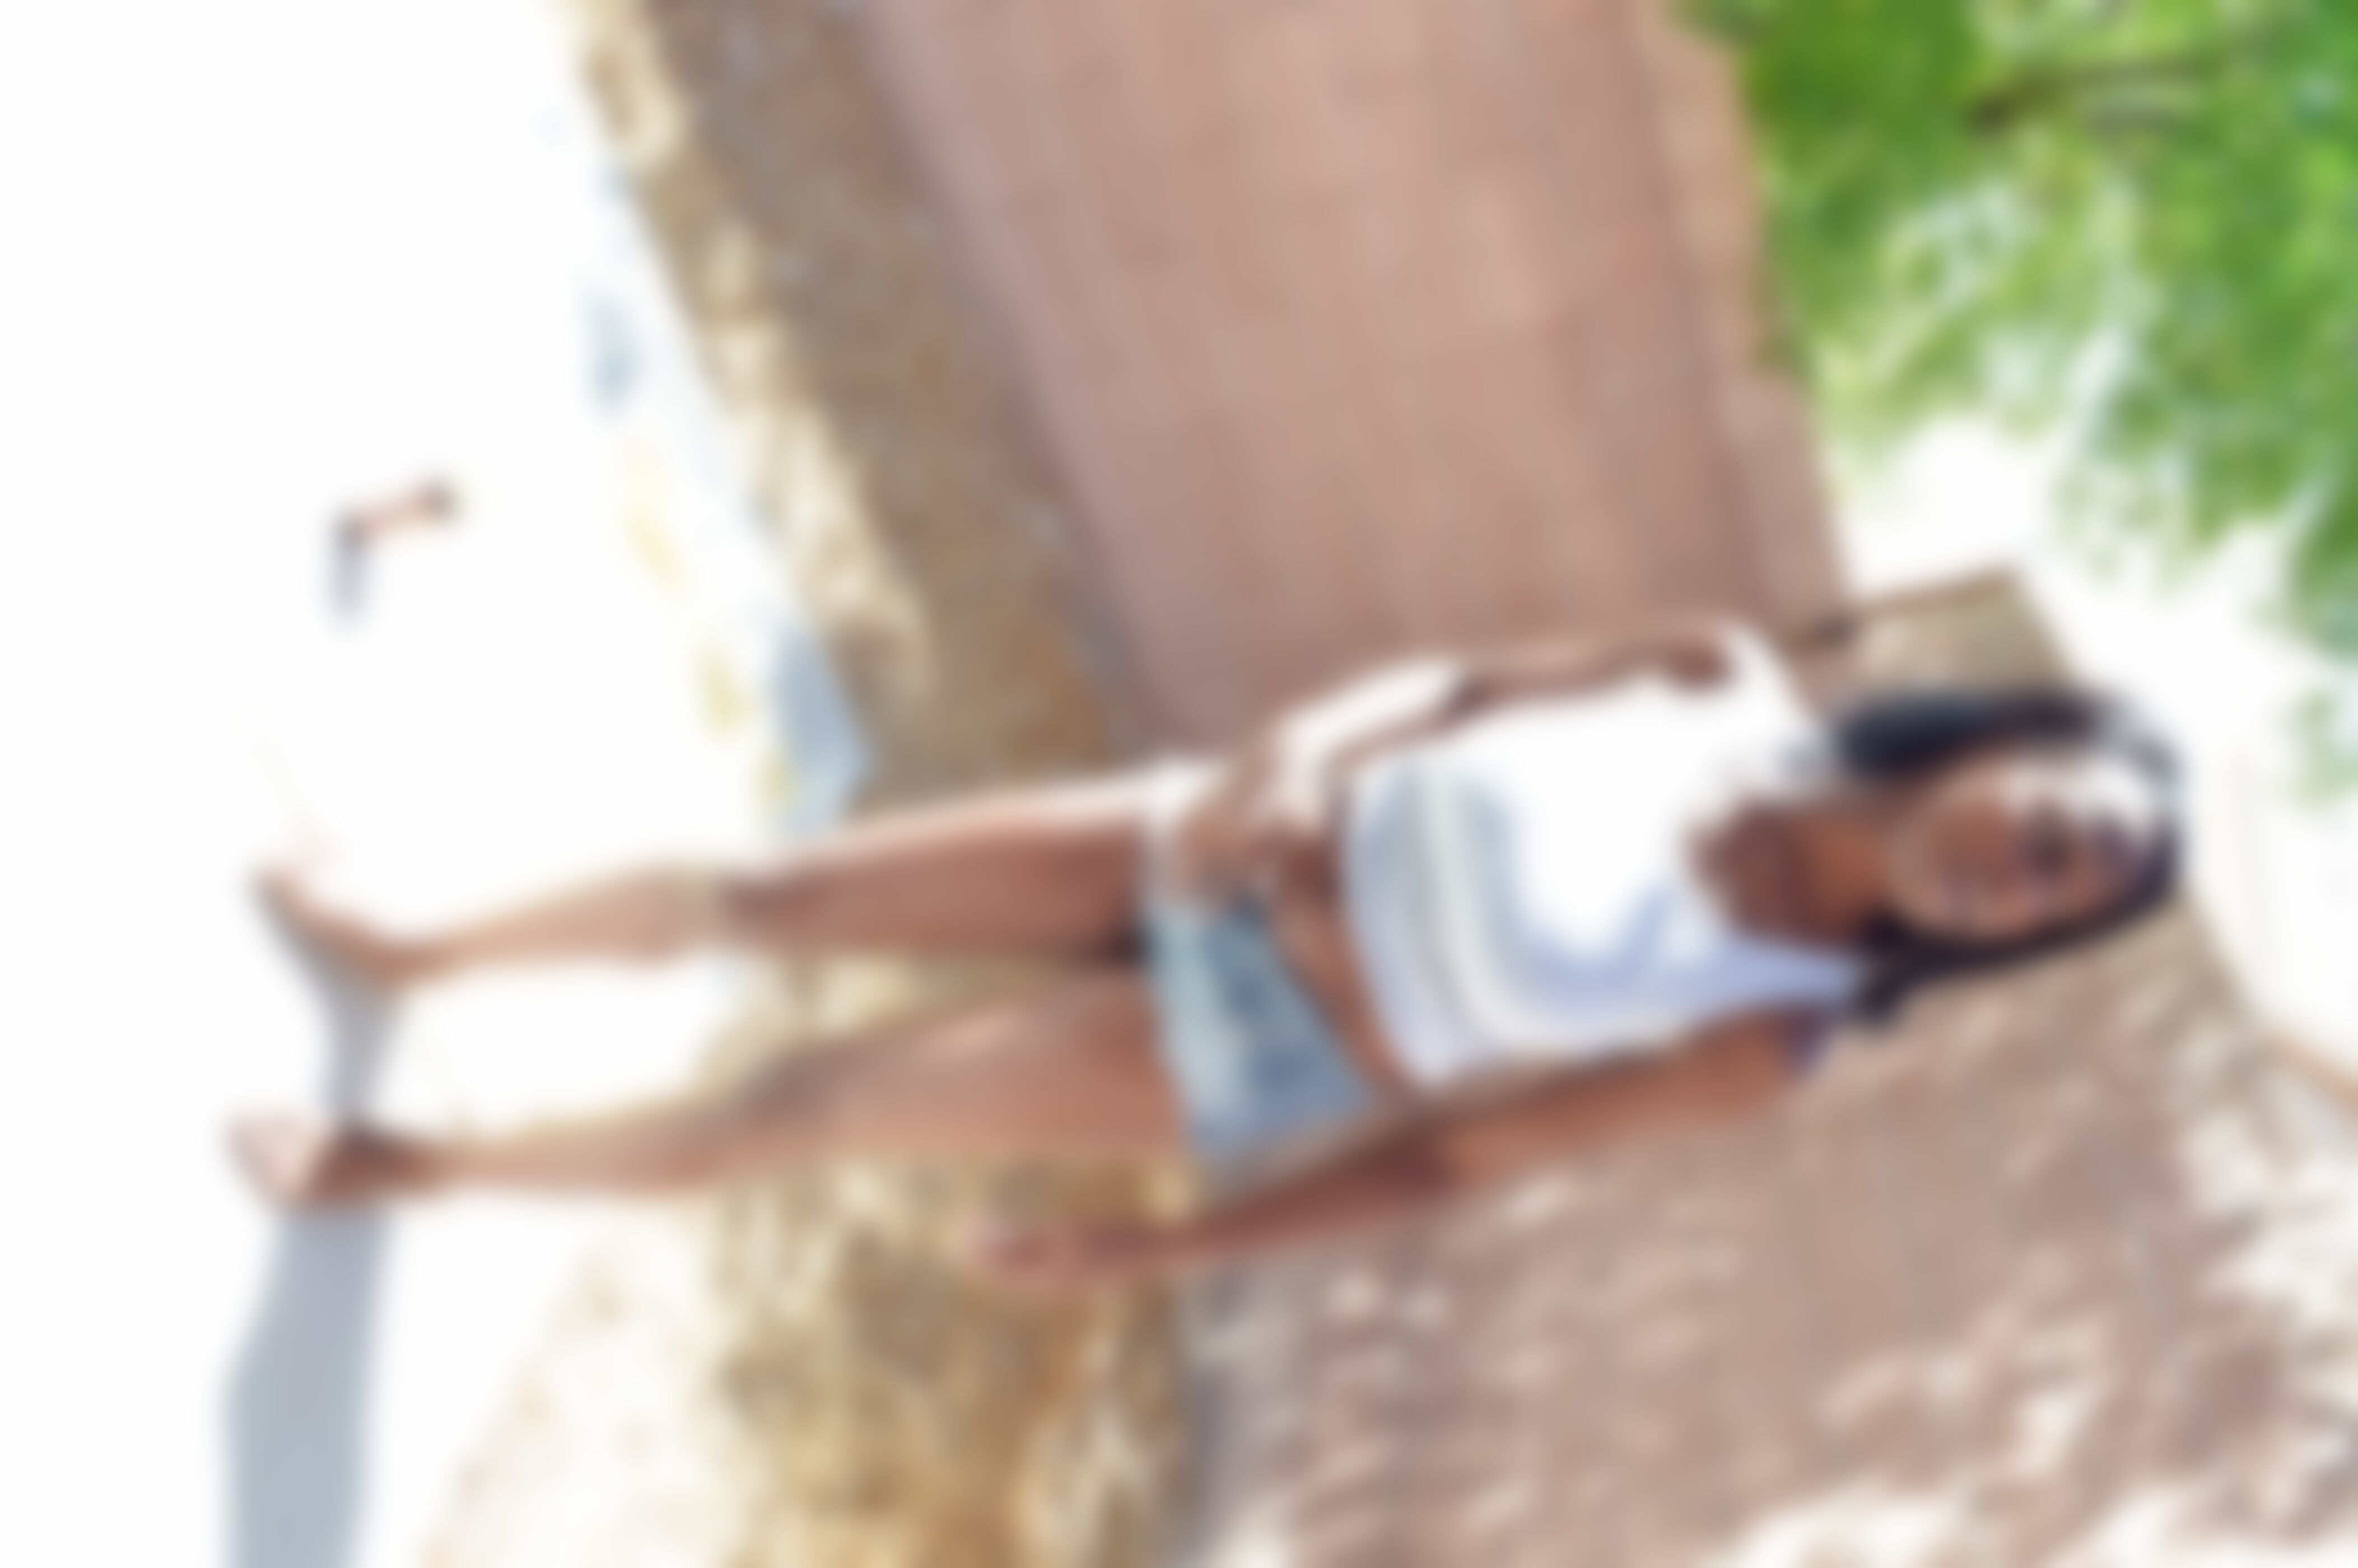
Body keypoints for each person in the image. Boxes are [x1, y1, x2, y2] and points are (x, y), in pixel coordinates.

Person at [234, 615, 2181, 1296]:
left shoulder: (1774, 1037)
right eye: (2054, 825)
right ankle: (413, 950)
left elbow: (1454, 1160)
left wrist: (1161, 1251)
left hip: (1258, 1041)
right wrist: (1295, 747)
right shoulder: (1711, 674)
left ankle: (407, 1168)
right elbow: (1458, 684)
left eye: (2060, 901)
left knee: (800, 1107)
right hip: (1207, 833)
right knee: (768, 892)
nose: (2023, 877)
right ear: (2003, 742)